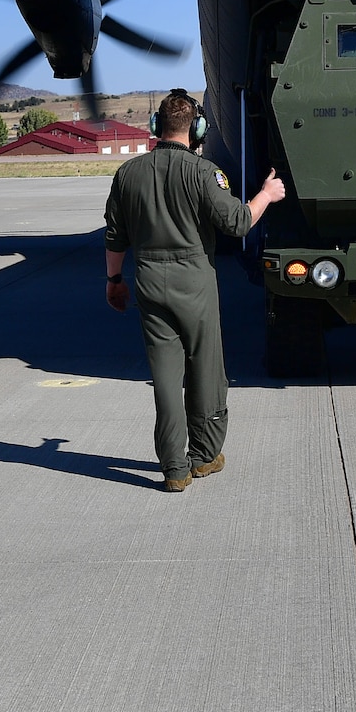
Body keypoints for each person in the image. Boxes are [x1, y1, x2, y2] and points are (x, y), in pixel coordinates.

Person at [103, 89, 285, 492]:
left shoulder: (128, 174)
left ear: (156, 127)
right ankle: (204, 456)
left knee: (165, 377)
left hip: (149, 281)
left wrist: (115, 281)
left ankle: (173, 468)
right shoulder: (205, 174)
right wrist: (266, 196)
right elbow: (237, 222)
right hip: (195, 282)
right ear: (198, 128)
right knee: (206, 368)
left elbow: (115, 237)